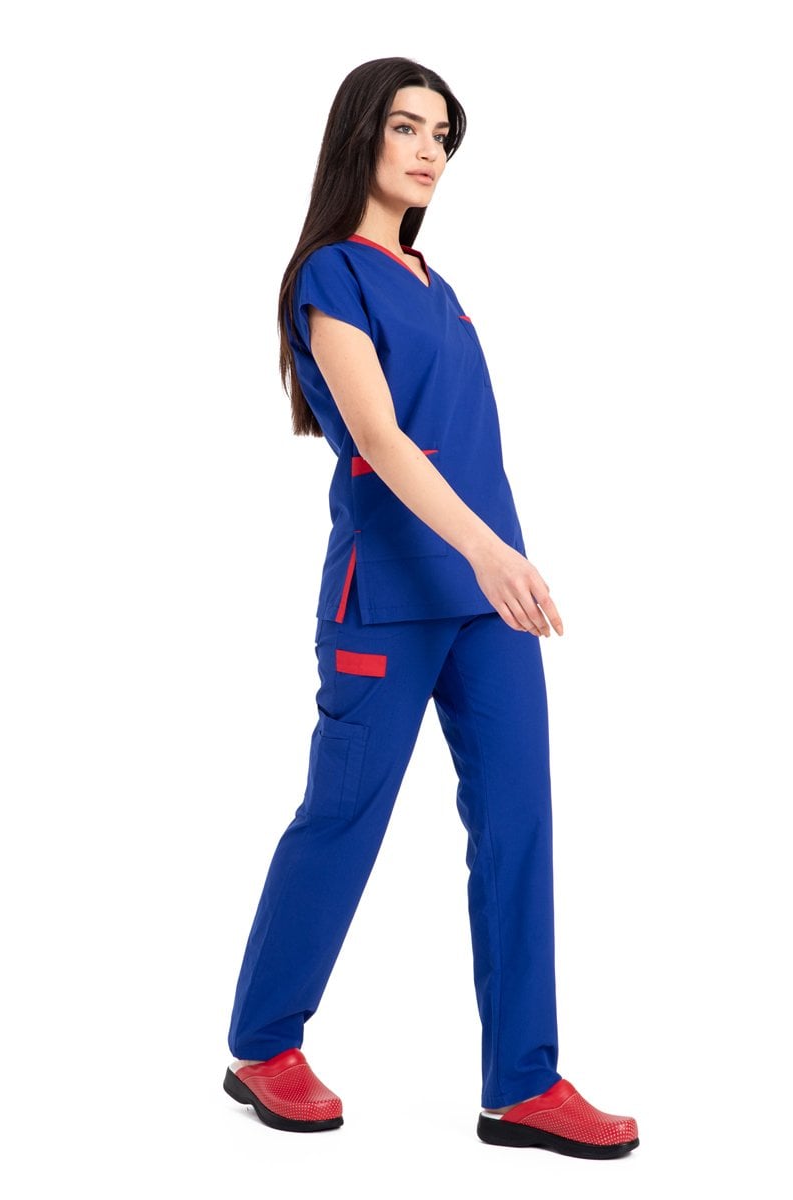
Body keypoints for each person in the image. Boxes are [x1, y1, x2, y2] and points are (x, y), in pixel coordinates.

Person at [223, 56, 639, 1159]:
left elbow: (464, 442)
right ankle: (262, 1044)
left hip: (487, 602)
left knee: (518, 825)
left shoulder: (435, 284)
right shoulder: (330, 275)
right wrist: (492, 552)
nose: (428, 151)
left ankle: (523, 1084)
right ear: (360, 132)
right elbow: (382, 439)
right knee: (344, 817)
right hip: (390, 602)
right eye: (407, 126)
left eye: (443, 136)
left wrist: (501, 561)